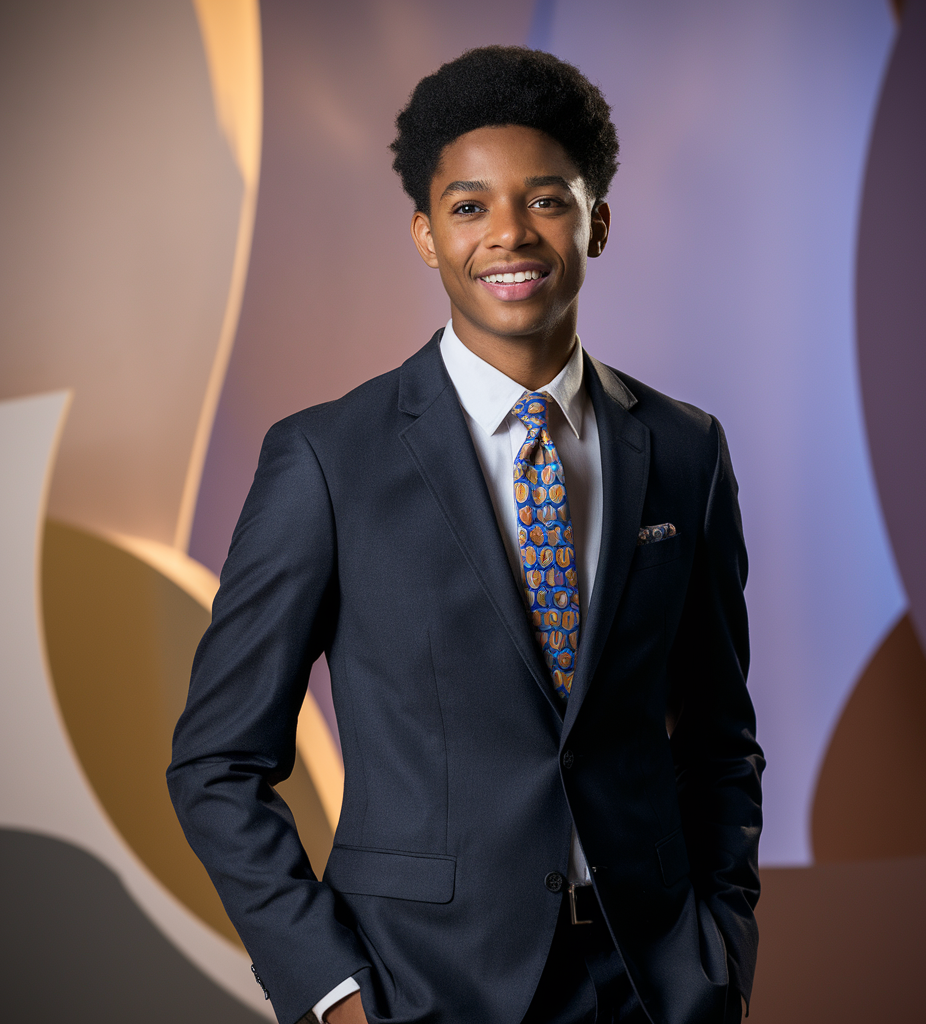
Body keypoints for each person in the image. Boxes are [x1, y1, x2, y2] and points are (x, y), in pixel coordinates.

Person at [168, 45, 763, 1024]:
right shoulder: (327, 459)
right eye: (469, 207)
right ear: (425, 234)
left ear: (597, 221)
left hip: (649, 987)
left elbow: (718, 743)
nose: (510, 235)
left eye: (547, 200)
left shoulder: (685, 449)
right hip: (418, 989)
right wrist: (335, 993)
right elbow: (216, 764)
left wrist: (719, 954)